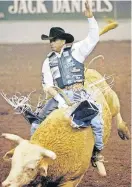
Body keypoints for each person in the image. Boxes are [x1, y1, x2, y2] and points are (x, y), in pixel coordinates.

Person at [6, 0, 106, 176]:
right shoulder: (48, 61)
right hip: (58, 96)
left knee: (96, 120)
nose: (51, 43)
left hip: (78, 94)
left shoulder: (77, 50)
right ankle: (34, 152)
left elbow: (94, 37)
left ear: (63, 41)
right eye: (50, 40)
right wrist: (60, 100)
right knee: (37, 122)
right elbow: (48, 85)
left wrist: (90, 18)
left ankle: (97, 154)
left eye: (54, 40)